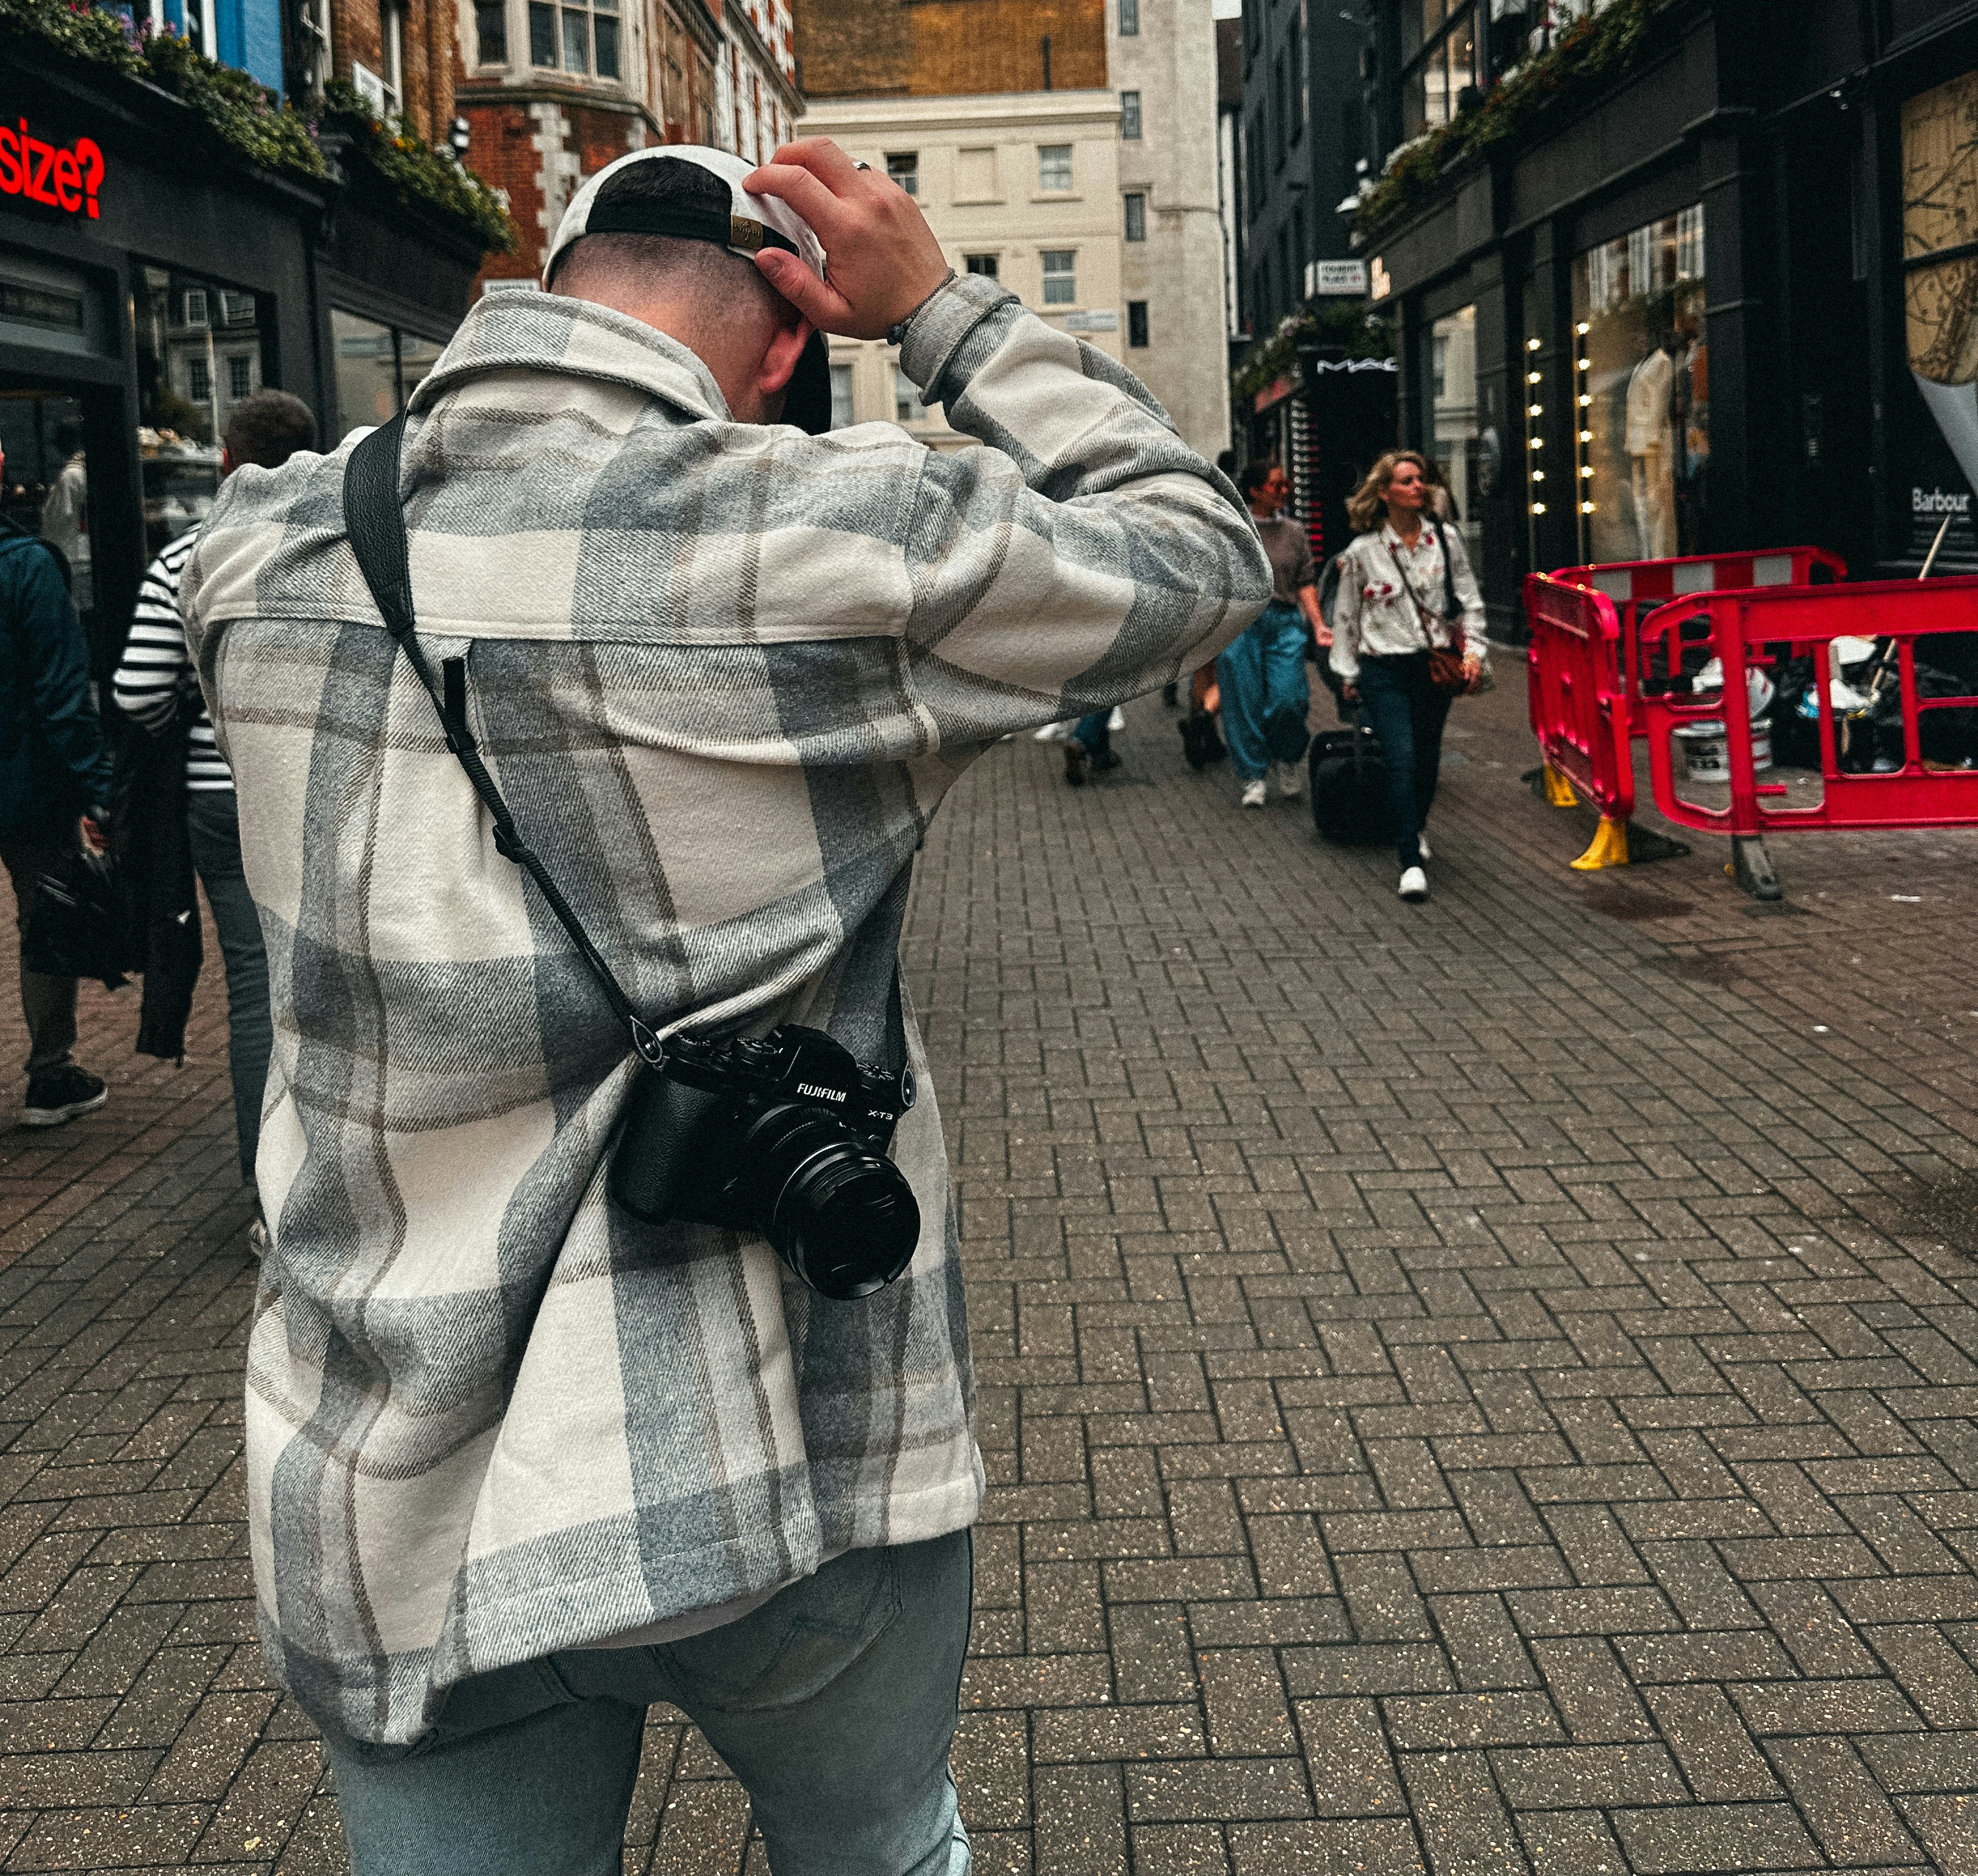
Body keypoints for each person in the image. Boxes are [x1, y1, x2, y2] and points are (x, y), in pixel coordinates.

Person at [181, 141, 1269, 1876]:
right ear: (784, 344)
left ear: (547, 280)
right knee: (881, 1850)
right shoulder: (823, 535)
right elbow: (1201, 553)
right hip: (777, 1430)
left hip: (396, 1445)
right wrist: (947, 319)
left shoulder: (259, 548)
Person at [114, 390, 317, 1215]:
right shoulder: (345, 541)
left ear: (228, 461)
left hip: (221, 796)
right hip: (322, 781)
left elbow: (134, 696)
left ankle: (269, 1198)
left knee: (253, 986)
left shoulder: (187, 560)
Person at [0, 449, 114, 1126]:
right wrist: (98, 790)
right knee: (44, 918)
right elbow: (62, 695)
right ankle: (50, 1075)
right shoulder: (27, 568)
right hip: (26, 781)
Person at [1330, 448, 1486, 900]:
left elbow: (1470, 602)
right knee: (1400, 757)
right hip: (1383, 668)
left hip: (1433, 666)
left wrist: (1473, 655)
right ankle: (1410, 862)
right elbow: (1347, 616)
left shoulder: (1446, 539)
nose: (1419, 486)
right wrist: (1347, 671)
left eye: (1421, 479)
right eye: (1407, 480)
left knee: (1426, 757)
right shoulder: (1363, 553)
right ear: (1384, 493)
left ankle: (1415, 825)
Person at [1216, 461, 1323, 808]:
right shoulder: (1234, 529)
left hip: (1285, 622)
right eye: (1277, 486)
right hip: (1240, 624)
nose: (1284, 491)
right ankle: (1254, 776)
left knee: (1289, 699)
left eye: (1286, 485)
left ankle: (1289, 758)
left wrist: (1319, 624)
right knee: (1243, 701)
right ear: (1255, 491)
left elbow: (1305, 581)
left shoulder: (1294, 531)